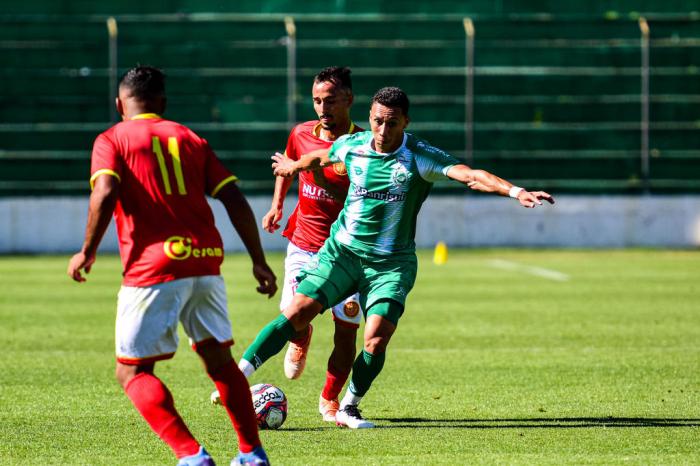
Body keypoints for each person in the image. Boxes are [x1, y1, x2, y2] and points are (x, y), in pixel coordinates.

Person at [236, 86, 555, 429]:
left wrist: (516, 191)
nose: (383, 132)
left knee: (375, 336)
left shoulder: (419, 155)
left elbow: (471, 176)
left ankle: (349, 406)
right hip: (343, 253)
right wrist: (294, 165)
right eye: (377, 122)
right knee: (297, 312)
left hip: (390, 264)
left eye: (392, 124)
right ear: (369, 119)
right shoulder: (353, 145)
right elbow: (322, 157)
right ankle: (235, 380)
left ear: (405, 121)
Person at [67, 66, 277, 466]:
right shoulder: (189, 138)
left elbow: (106, 190)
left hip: (154, 267)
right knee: (219, 360)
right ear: (162, 103)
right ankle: (252, 454)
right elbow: (232, 196)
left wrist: (87, 251)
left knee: (133, 373)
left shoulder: (112, 138)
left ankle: (191, 456)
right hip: (205, 262)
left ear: (119, 104)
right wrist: (258, 260)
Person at [213, 66, 364, 422]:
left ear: (349, 100)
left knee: (346, 330)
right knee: (294, 314)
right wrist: (278, 203)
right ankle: (300, 335)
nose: (322, 108)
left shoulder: (363, 145)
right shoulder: (300, 133)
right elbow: (287, 167)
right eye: (316, 100)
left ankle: (330, 399)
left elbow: (363, 192)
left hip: (348, 251)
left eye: (329, 100)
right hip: (305, 243)